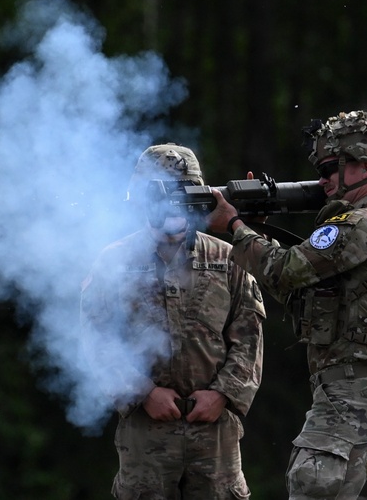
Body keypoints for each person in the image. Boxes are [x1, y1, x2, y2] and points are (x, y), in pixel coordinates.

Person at [207, 110, 367, 500]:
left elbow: (284, 270)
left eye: (332, 168)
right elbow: (301, 292)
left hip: (348, 405)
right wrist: (255, 229)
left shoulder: (359, 223)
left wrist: (235, 227)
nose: (323, 180)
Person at [80, 143, 265, 500]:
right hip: (145, 435)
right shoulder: (113, 262)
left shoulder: (228, 259)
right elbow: (97, 338)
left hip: (214, 434)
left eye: (186, 194)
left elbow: (249, 335)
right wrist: (143, 392)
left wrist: (222, 395)